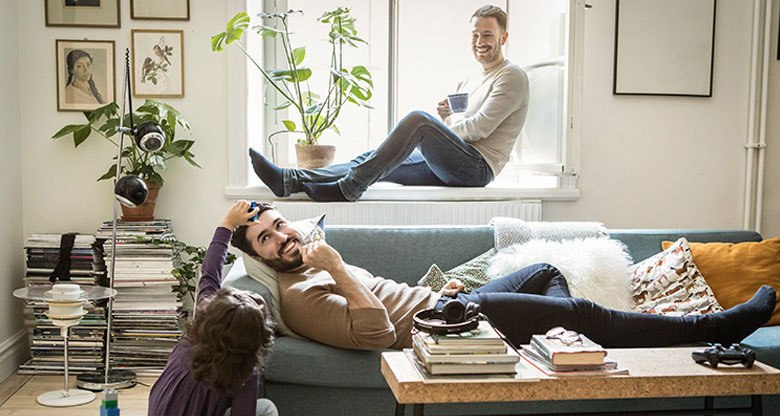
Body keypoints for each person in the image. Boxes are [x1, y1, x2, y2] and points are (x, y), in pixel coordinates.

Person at [229, 202, 777, 351]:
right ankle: (716, 327)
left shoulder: (316, 260)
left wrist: (430, 288)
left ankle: (559, 340)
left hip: (446, 306)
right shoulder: (298, 293)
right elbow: (373, 335)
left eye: (279, 225)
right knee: (582, 314)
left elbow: (382, 297)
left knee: (542, 271)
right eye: (266, 240)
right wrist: (338, 269)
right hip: (440, 331)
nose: (282, 238)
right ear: (259, 257)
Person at [249, 5, 529, 202]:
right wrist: (445, 119)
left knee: (418, 120)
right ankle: (291, 180)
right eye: (475, 35)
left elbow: (478, 130)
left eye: (488, 35)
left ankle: (351, 187)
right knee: (375, 157)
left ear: (503, 38)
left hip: (477, 168)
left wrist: (439, 127)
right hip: (456, 160)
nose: (480, 41)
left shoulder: (512, 76)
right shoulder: (470, 79)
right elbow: (460, 127)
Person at [148, 201, 278, 416]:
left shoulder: (194, 335)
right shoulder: (245, 372)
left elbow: (210, 271)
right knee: (267, 409)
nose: (253, 295)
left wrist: (227, 223)